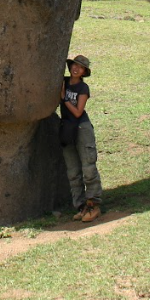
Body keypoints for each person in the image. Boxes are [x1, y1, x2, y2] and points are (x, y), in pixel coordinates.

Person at [59, 54, 103, 223]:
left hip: (81, 128)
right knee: (72, 171)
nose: (76, 69)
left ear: (84, 72)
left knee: (88, 167)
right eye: (74, 65)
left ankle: (93, 205)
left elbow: (78, 112)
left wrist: (64, 99)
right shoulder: (63, 81)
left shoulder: (83, 88)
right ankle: (81, 206)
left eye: (80, 67)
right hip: (66, 129)